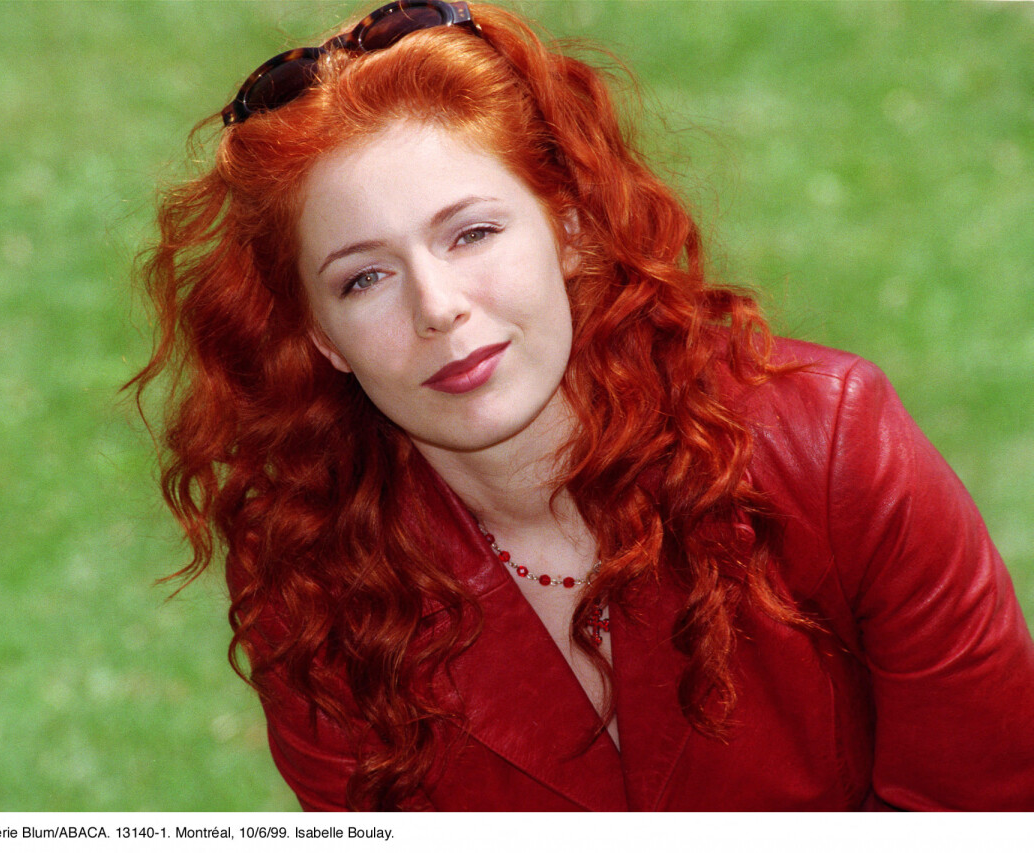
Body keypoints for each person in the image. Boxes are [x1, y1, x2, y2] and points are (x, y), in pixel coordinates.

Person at [132, 1, 1034, 810]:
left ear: (568, 227)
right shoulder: (313, 570)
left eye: (473, 232)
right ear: (322, 335)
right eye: (364, 277)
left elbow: (991, 808)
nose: (437, 306)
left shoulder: (834, 442)